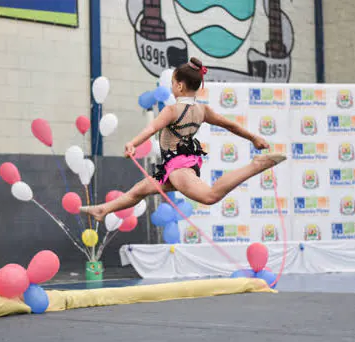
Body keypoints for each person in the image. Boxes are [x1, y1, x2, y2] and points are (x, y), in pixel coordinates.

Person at [81, 57, 286, 222]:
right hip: (178, 165)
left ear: (179, 86)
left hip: (178, 168)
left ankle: (256, 166)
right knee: (139, 191)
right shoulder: (202, 110)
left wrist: (133, 143)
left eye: (172, 83)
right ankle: (104, 209)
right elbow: (230, 125)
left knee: (210, 195)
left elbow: (152, 127)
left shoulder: (172, 110)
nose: (171, 87)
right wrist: (254, 138)